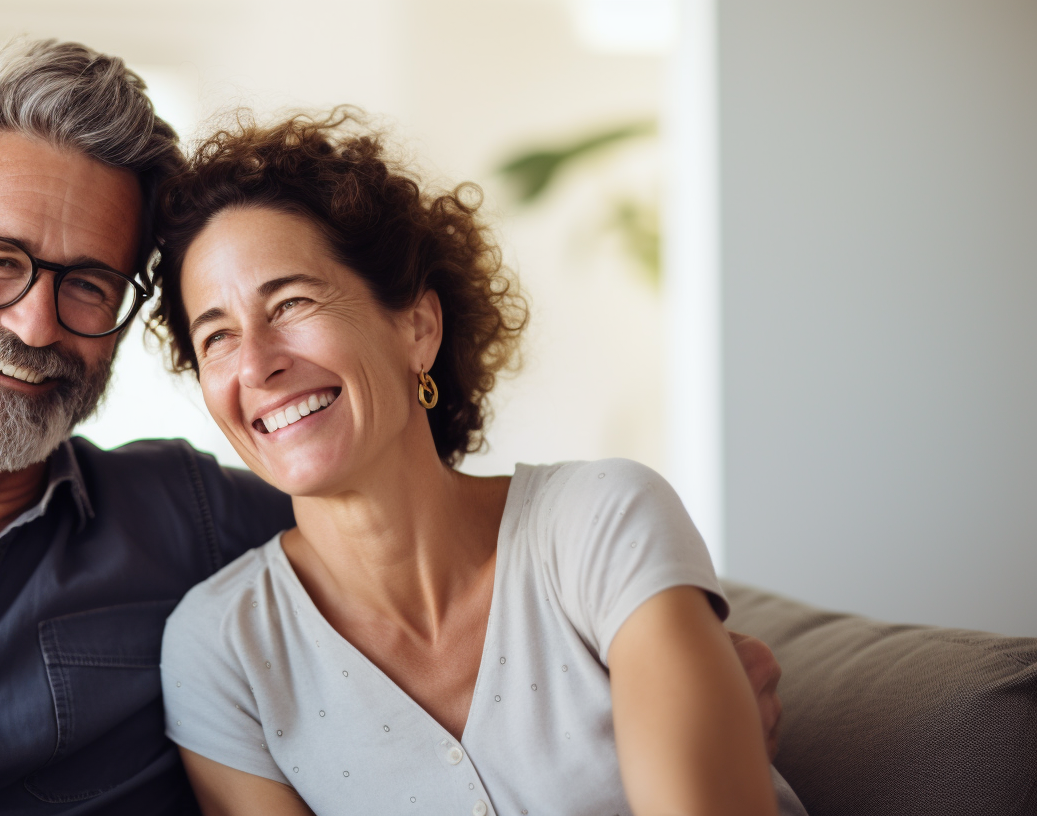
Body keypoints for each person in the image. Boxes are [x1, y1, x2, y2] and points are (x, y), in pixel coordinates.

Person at [0, 41, 780, 816]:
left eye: (89, 282)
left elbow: (394, 522)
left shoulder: (190, 520)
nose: (37, 321)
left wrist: (657, 669)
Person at [151, 110, 806, 816]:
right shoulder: (221, 646)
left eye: (292, 302)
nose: (254, 363)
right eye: (215, 337)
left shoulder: (599, 522)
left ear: (418, 328)